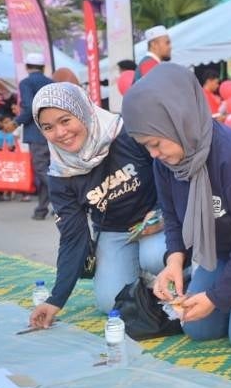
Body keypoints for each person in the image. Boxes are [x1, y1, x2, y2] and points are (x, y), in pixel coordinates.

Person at [122, 63, 231, 352]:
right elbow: (171, 216)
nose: (154, 154)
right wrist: (174, 262)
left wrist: (217, 297)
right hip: (217, 254)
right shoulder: (165, 162)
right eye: (145, 146)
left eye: (156, 142)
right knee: (196, 327)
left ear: (181, 119)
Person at [27, 83, 165, 326]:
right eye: (48, 127)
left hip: (158, 219)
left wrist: (163, 213)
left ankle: (174, 274)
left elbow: (168, 172)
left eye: (65, 120)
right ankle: (143, 277)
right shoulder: (61, 173)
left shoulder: (127, 133)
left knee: (155, 256)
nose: (60, 133)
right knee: (110, 303)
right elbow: (73, 237)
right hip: (114, 231)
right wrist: (55, 299)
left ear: (83, 110)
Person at [16, 53, 54, 219]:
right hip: (53, 131)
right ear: (43, 67)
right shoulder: (51, 83)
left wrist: (16, 121)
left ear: (27, 67)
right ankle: (41, 209)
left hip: (36, 132)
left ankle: (67, 197)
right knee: (48, 170)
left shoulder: (26, 82)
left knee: (41, 170)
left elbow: (31, 106)